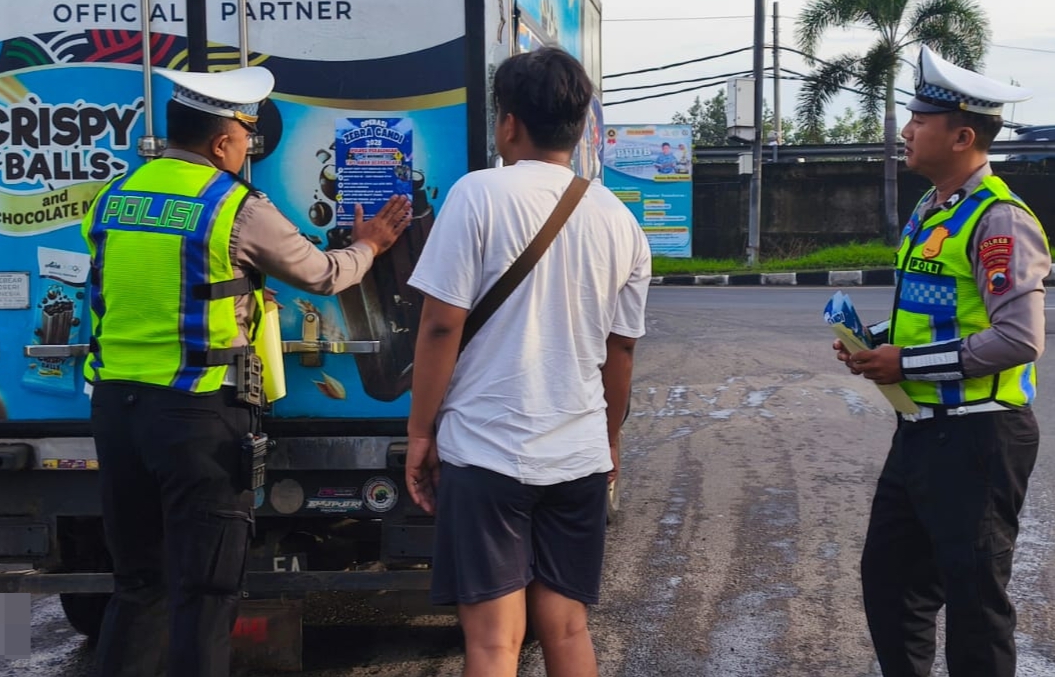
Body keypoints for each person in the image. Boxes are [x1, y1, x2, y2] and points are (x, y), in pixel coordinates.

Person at [83, 66, 411, 677]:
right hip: (196, 414)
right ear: (220, 142)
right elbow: (323, 274)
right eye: (243, 136)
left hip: (116, 410)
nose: (246, 148)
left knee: (138, 585)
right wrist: (369, 244)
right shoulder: (233, 205)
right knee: (205, 594)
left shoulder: (114, 196)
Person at [404, 47, 651, 677]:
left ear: (508, 123)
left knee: (492, 644)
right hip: (578, 457)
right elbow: (620, 351)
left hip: (486, 450)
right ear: (579, 124)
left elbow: (439, 324)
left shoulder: (478, 195)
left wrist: (420, 432)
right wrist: (610, 438)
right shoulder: (621, 221)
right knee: (568, 631)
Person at [834, 45, 1050, 677]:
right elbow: (938, 315)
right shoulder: (933, 210)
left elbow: (1019, 338)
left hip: (981, 437)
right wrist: (875, 344)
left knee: (976, 606)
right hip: (921, 432)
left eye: (918, 120)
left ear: (961, 136)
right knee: (891, 583)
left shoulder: (999, 219)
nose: (905, 130)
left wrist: (909, 365)